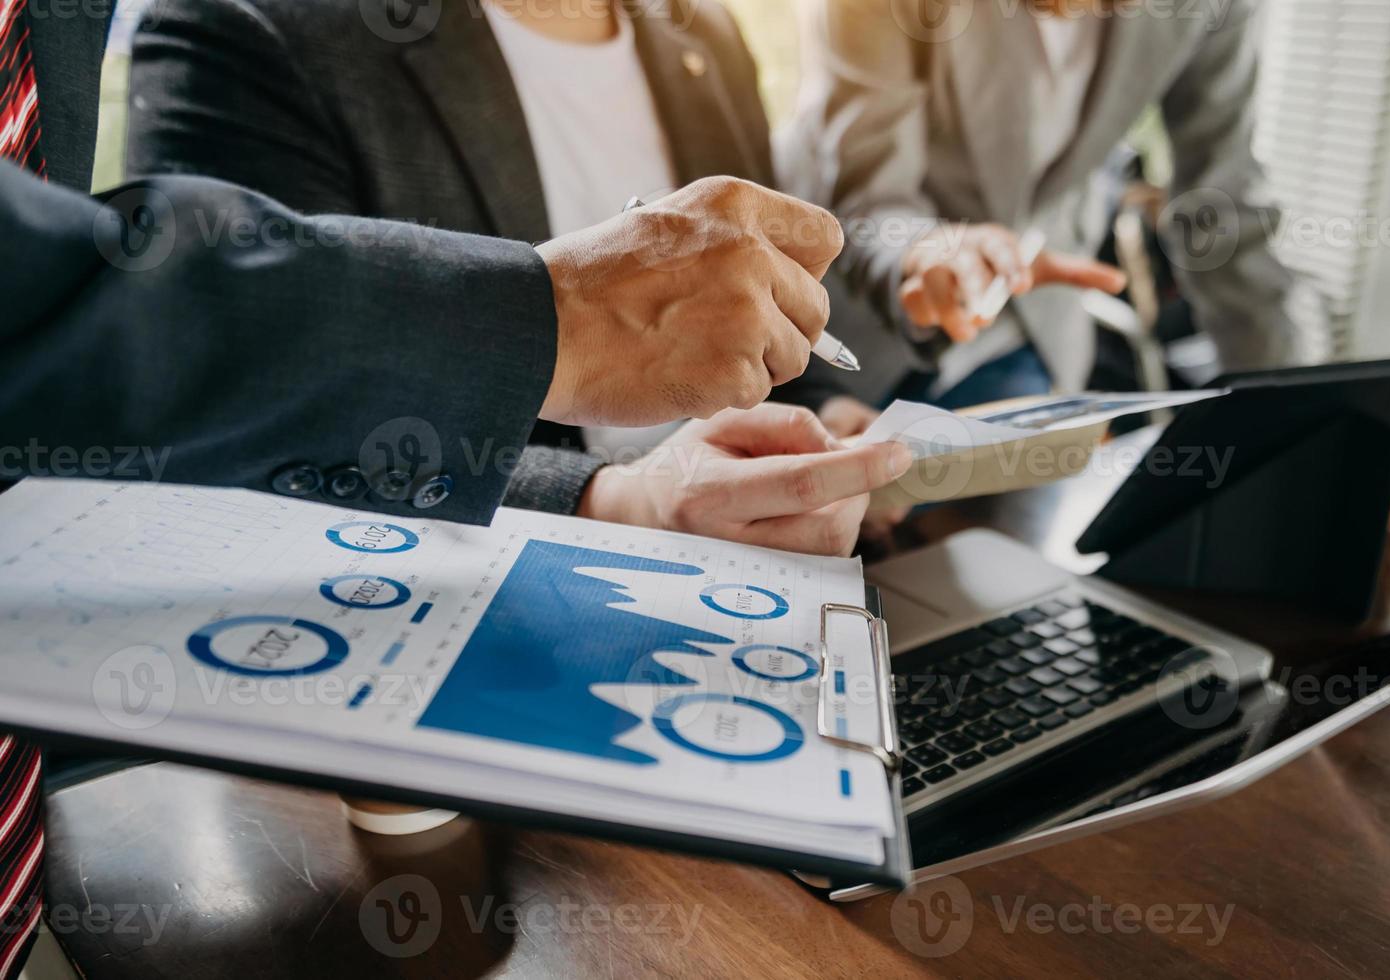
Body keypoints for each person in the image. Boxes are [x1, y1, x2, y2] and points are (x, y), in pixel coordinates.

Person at [0, 1, 905, 972]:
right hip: (379, 739)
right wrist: (594, 458)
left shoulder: (703, 37)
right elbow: (200, 408)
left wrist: (799, 437)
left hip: (693, 671)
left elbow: (766, 327)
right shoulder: (265, 25)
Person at [125, 0, 886, 450]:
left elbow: (764, 302)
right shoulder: (261, 29)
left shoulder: (703, 36)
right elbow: (262, 401)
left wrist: (818, 415)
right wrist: (603, 499)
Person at [781, 0, 1306, 409]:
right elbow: (867, 189)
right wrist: (926, 250)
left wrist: (1295, 409)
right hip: (848, 329)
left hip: (1037, 332)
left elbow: (1226, 213)